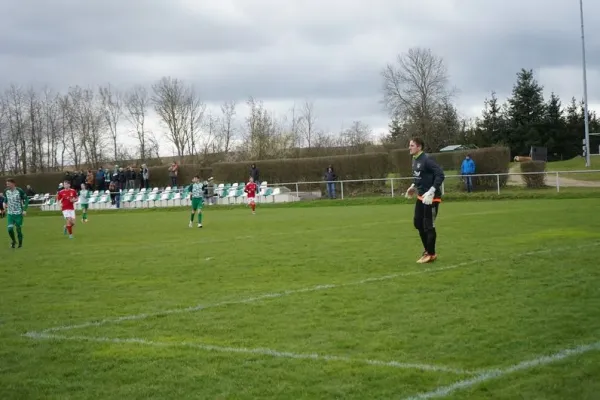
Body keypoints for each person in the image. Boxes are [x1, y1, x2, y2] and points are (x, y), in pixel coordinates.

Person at [405, 138, 445, 264]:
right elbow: (419, 177)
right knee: (418, 223)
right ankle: (428, 250)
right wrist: (413, 186)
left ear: (419, 147)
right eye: (409, 145)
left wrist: (432, 190)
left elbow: (440, 175)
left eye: (412, 145)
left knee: (428, 225)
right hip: (421, 197)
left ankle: (431, 254)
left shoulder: (427, 159)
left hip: (431, 198)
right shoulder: (415, 159)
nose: (409, 147)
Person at [3, 179, 28, 248]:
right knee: (10, 229)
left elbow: (26, 199)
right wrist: (4, 204)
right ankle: (13, 241)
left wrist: (25, 210)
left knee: (18, 229)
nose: (7, 185)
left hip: (18, 213)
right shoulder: (6, 191)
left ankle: (20, 244)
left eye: (8, 184)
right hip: (10, 213)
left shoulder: (19, 190)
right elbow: (5, 200)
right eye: (7, 184)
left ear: (13, 183)